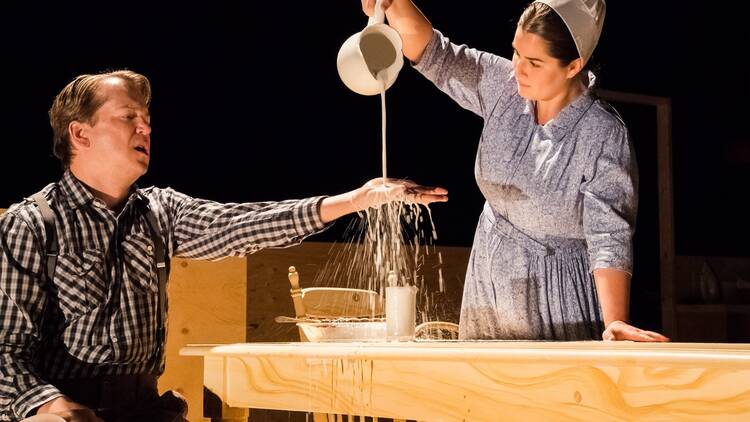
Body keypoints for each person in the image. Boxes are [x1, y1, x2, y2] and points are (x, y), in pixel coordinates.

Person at [0, 70, 448, 422]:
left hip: (144, 409)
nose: (145, 128)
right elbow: (6, 355)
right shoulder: (34, 225)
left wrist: (355, 201)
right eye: (128, 117)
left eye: (148, 121)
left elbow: (241, 225)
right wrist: (55, 410)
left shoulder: (159, 213)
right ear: (80, 135)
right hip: (66, 409)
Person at [360, 0, 670, 343]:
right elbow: (436, 53)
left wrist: (615, 322)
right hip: (487, 286)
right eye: (516, 53)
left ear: (573, 66)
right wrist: (394, 3)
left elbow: (609, 236)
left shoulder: (601, 133)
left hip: (556, 301)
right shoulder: (505, 89)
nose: (519, 69)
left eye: (534, 62)